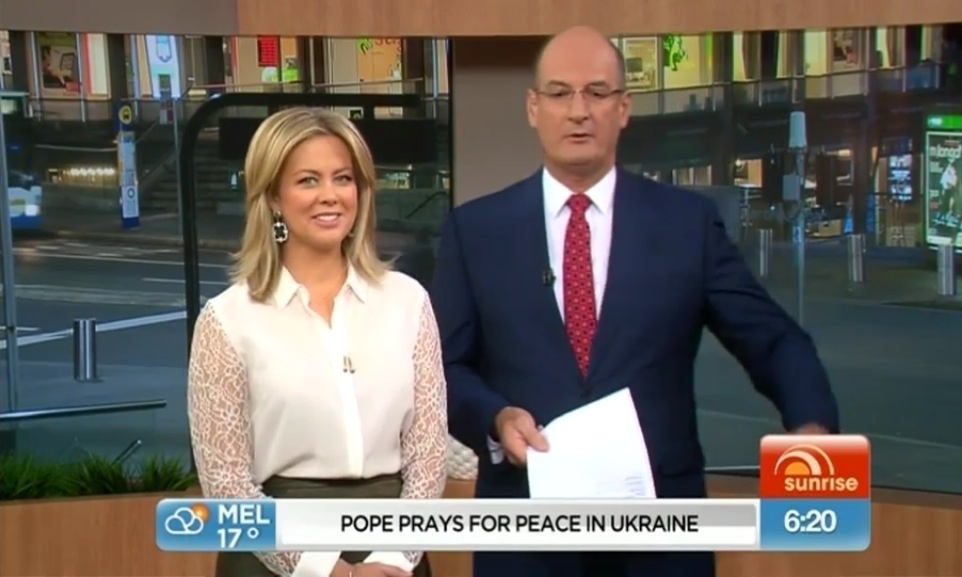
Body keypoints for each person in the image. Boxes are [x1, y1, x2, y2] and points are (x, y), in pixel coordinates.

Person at [429, 26, 839, 577]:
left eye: (597, 93)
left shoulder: (686, 224)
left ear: (623, 109)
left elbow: (772, 339)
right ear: (533, 107)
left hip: (659, 539)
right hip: (526, 538)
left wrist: (811, 427)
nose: (579, 111)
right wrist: (496, 417)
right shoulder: (477, 231)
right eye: (560, 93)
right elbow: (444, 369)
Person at [188, 107, 447, 577]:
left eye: (343, 179)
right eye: (308, 180)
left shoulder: (409, 302)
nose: (330, 195)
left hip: (393, 558)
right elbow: (226, 483)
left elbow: (428, 455)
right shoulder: (227, 321)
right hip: (276, 558)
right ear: (273, 197)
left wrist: (392, 558)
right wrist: (326, 569)